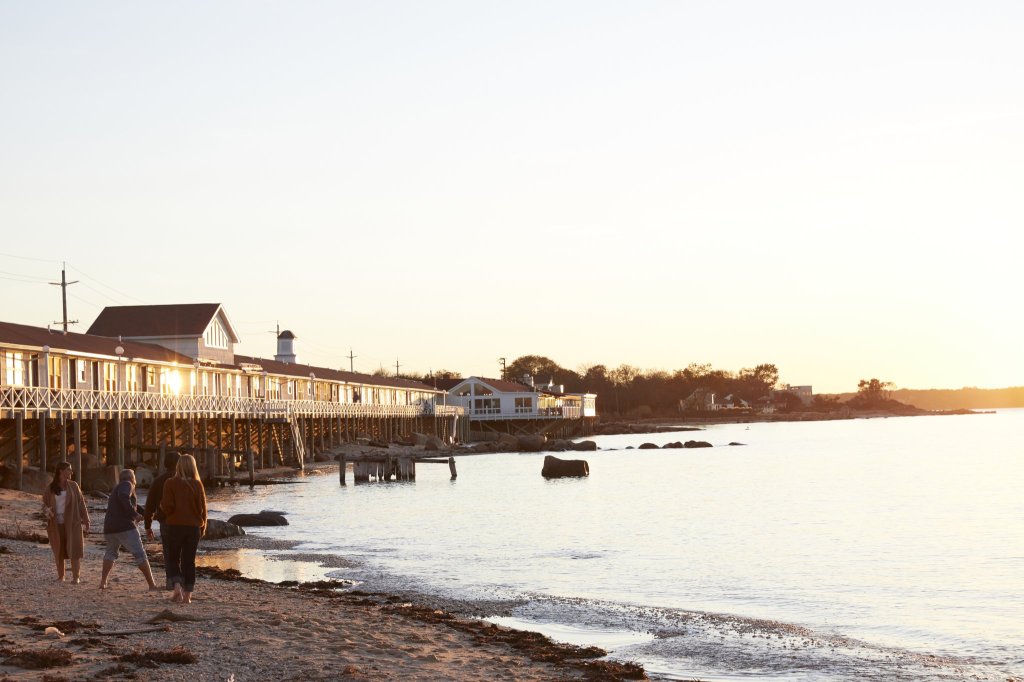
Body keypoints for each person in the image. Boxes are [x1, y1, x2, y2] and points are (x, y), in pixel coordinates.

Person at [99, 469, 158, 590]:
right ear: (132, 478)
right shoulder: (127, 485)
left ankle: (103, 582)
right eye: (134, 477)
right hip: (125, 527)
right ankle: (152, 585)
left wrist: (150, 515)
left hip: (110, 527)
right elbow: (124, 498)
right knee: (139, 553)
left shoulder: (117, 488)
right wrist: (134, 515)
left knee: (110, 553)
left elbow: (132, 505)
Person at [160, 454, 208, 604]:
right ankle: (187, 596)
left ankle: (177, 589)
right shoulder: (197, 484)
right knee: (189, 561)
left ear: (178, 466)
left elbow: (168, 506)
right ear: (193, 467)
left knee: (173, 559)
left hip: (174, 526)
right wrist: (203, 527)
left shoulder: (170, 483)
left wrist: (162, 508)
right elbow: (203, 509)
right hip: (193, 527)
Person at [41, 462, 90, 583]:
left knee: (75, 549)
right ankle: (61, 576)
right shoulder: (50, 488)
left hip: (73, 522)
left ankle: (76, 577)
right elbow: (44, 505)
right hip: (56, 524)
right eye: (69, 470)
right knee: (59, 550)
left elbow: (81, 503)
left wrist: (86, 519)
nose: (71, 472)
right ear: (60, 471)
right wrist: (47, 511)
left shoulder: (74, 486)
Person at [143, 450, 181, 590]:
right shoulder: (185, 480)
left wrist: (148, 525)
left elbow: (150, 505)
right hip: (184, 522)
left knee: (169, 553)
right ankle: (182, 582)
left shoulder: (158, 481)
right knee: (183, 553)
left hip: (166, 522)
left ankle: (171, 582)